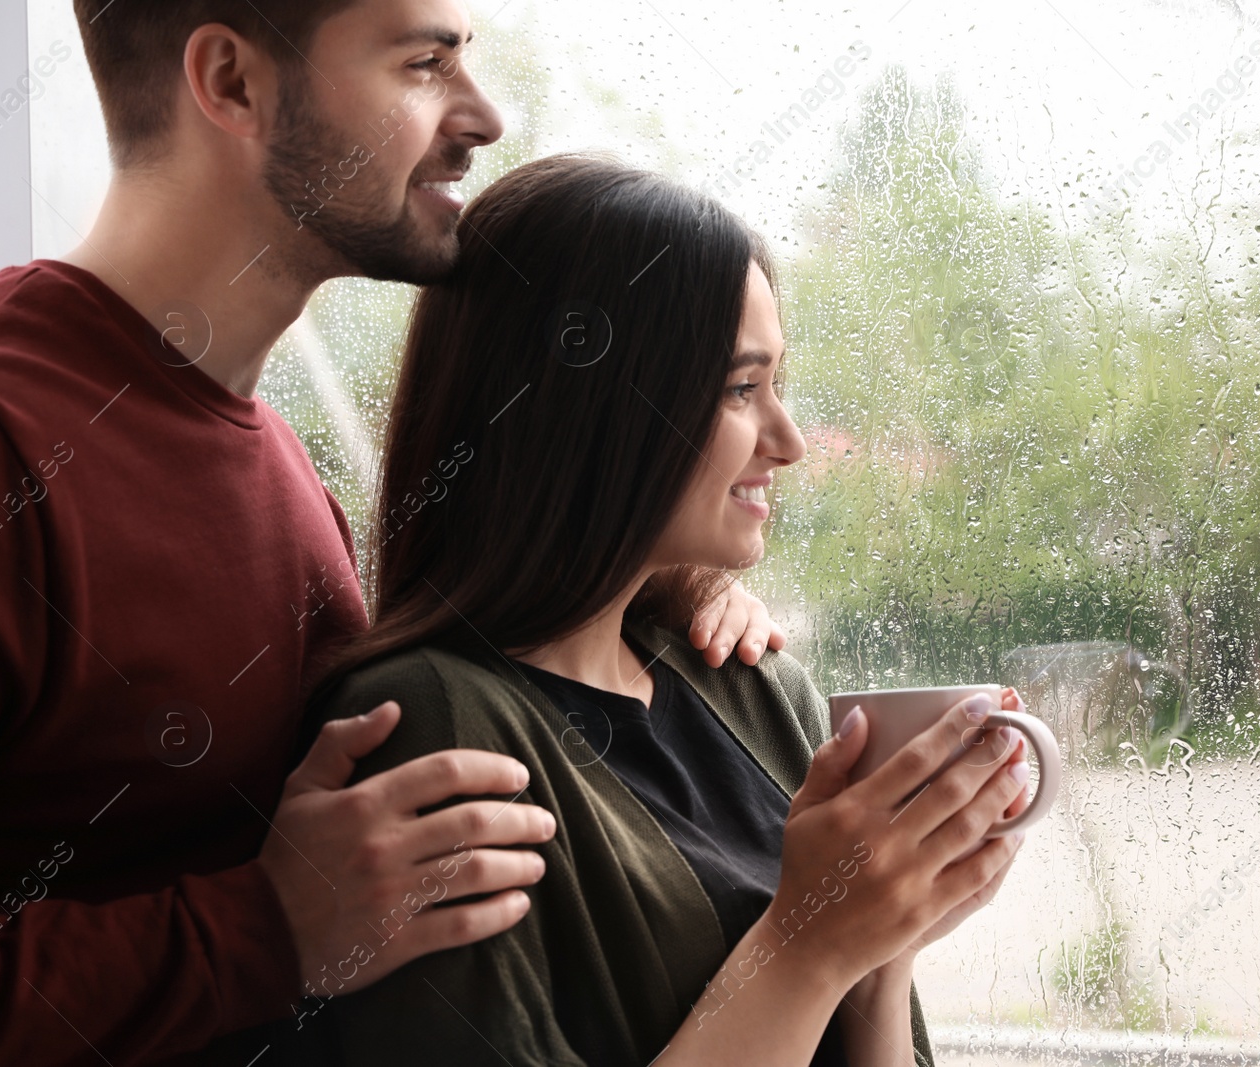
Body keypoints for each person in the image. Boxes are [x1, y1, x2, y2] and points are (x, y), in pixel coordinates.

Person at [0, 3, 782, 1064]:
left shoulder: (269, 452)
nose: (483, 115)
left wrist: (652, 593)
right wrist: (264, 926)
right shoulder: (3, 441)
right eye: (423, 62)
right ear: (232, 82)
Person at [277, 153, 1032, 1066]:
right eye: (741, 390)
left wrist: (882, 944)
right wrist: (810, 944)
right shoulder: (430, 727)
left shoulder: (753, 685)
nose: (789, 442)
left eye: (776, 384)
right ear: (590, 407)